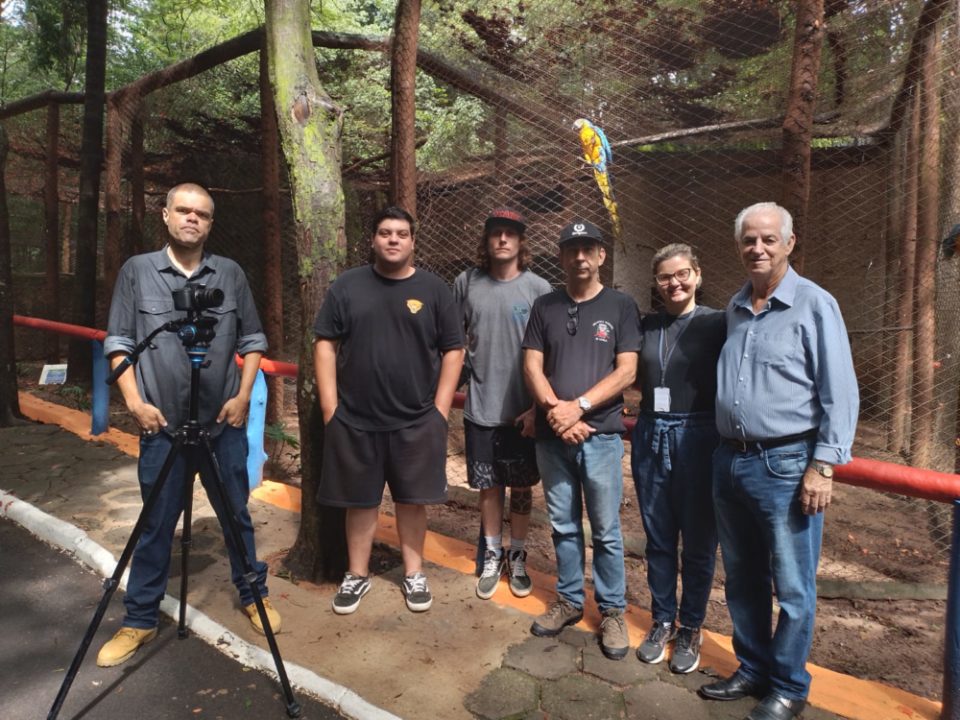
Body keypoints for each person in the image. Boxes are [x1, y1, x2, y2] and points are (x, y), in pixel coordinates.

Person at [98, 182, 279, 667]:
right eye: (183, 210)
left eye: (201, 213)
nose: (191, 219)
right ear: (166, 215)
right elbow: (118, 341)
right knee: (156, 524)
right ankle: (138, 618)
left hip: (222, 425)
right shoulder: (138, 272)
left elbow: (254, 338)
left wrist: (242, 396)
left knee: (236, 516)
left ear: (210, 223)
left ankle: (253, 596)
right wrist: (134, 402)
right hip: (161, 427)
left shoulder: (231, 274)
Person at [699, 203, 858, 720]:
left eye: (769, 239)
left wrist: (824, 465)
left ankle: (789, 685)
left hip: (788, 465)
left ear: (790, 244)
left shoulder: (815, 305)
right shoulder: (736, 305)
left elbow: (841, 391)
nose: (758, 249)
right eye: (749, 240)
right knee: (742, 576)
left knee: (792, 585)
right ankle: (751, 669)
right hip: (731, 461)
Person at [314, 206, 464, 615]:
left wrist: (439, 409)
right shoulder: (346, 287)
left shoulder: (435, 290)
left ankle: (414, 574)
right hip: (355, 420)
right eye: (385, 232)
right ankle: (356, 575)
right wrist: (331, 409)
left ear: (413, 242)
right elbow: (325, 343)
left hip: (416, 420)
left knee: (412, 501)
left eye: (401, 233)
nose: (393, 239)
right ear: (374, 241)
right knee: (359, 502)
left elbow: (454, 349)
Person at [522, 219, 640, 660]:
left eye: (588, 248)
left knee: (607, 530)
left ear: (601, 255)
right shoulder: (545, 305)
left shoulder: (621, 306)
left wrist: (580, 406)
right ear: (562, 256)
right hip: (554, 438)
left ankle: (611, 611)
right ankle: (570, 601)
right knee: (564, 524)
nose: (580, 257)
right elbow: (532, 365)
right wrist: (557, 411)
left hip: (601, 437)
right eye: (571, 249)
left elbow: (626, 370)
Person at [632, 243, 725, 674]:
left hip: (699, 434)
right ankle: (663, 619)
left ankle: (691, 626)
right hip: (651, 432)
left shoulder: (719, 323)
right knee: (659, 537)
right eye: (666, 277)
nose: (675, 283)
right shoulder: (647, 326)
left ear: (698, 275)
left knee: (701, 541)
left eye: (683, 273)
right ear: (656, 282)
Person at [453, 209, 552, 600]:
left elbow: (550, 352)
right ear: (487, 239)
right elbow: (451, 336)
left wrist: (537, 408)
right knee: (489, 486)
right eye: (496, 233)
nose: (503, 240)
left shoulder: (539, 288)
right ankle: (493, 554)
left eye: (511, 233)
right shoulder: (466, 282)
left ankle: (518, 554)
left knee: (523, 487)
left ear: (520, 241)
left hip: (523, 411)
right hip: (481, 405)